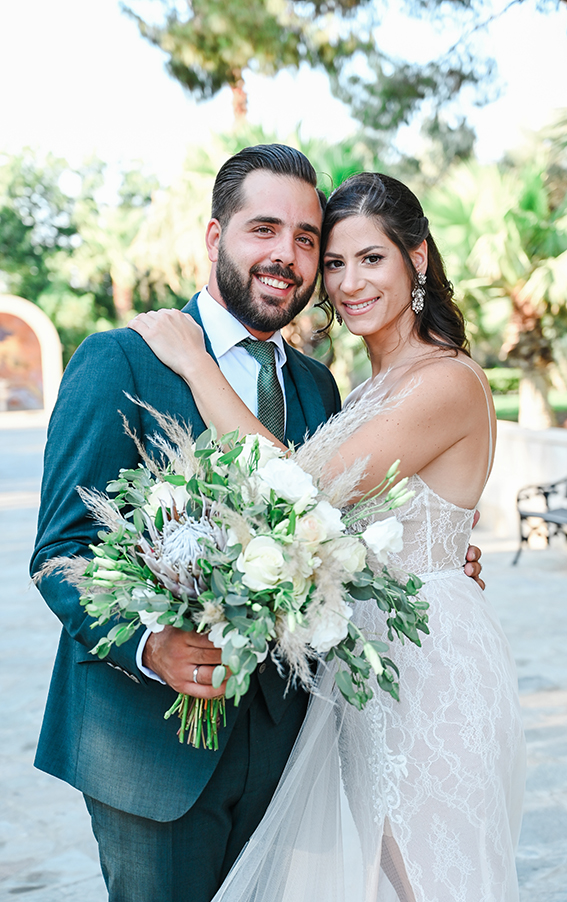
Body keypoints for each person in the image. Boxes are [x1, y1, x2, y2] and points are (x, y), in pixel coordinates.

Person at [31, 146, 483, 902]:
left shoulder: (318, 386)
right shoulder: (123, 360)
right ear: (216, 237)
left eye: (307, 239)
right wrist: (149, 646)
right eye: (264, 229)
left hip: (289, 749)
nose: (288, 256)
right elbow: (61, 551)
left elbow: (328, 514)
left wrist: (428, 555)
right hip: (152, 749)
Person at [129, 171, 525, 901]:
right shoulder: (360, 390)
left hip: (426, 665)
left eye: (372, 258)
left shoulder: (446, 381)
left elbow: (302, 493)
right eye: (335, 262)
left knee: (433, 879)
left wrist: (194, 362)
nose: (348, 283)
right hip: (362, 666)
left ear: (418, 258)